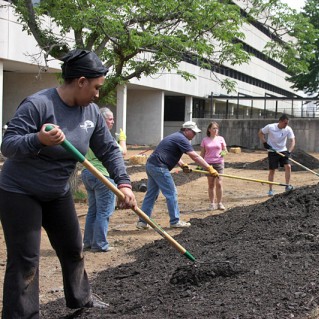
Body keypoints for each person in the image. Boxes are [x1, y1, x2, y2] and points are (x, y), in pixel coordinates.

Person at [0, 49, 137, 317]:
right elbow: (8, 146)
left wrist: (124, 183)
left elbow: (108, 150)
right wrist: (38, 139)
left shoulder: (92, 113)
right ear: (81, 81)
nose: (98, 93)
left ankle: (81, 300)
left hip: (57, 190)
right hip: (20, 191)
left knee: (73, 247)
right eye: (96, 87)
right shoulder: (39, 105)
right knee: (26, 258)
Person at [137, 121, 219, 229]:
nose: (194, 135)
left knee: (151, 194)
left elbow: (169, 152)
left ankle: (142, 222)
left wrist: (182, 165)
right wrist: (209, 168)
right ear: (186, 130)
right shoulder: (182, 139)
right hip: (159, 167)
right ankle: (175, 221)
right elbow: (195, 156)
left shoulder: (175, 136)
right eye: (193, 132)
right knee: (172, 193)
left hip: (151, 165)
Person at [81, 107, 127, 253]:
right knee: (104, 211)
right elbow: (122, 152)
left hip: (88, 174)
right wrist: (122, 140)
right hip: (103, 176)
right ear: (101, 119)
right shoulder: (103, 137)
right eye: (110, 119)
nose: (113, 122)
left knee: (93, 210)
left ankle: (88, 242)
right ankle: (100, 244)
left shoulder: (87, 134)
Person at [258, 114, 295, 196]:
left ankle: (287, 186)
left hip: (283, 150)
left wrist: (289, 152)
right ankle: (270, 190)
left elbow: (293, 141)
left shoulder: (288, 129)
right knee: (272, 170)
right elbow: (260, 133)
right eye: (285, 123)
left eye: (287, 123)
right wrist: (264, 143)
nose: (286, 125)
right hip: (272, 151)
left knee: (288, 166)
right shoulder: (270, 127)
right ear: (280, 121)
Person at [200, 122, 228, 211]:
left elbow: (225, 150)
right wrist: (200, 164)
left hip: (219, 163)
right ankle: (212, 203)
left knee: (219, 184)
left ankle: (219, 203)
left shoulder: (221, 139)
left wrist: (222, 154)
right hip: (208, 164)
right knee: (211, 184)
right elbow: (202, 153)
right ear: (209, 130)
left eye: (217, 128)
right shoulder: (205, 140)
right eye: (214, 128)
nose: (216, 130)